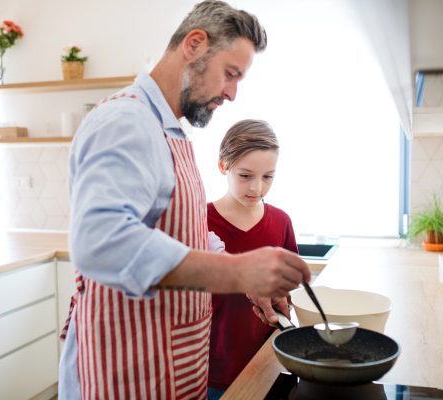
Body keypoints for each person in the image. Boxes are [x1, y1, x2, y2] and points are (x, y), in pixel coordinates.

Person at [58, 2, 310, 399]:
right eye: (230, 74)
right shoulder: (127, 121)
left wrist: (251, 284)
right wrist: (239, 272)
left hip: (169, 364)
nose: (232, 93)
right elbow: (99, 241)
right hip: (126, 373)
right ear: (194, 44)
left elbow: (186, 234)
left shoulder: (170, 130)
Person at [206, 120, 298, 399]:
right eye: (246, 176)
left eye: (267, 177)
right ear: (223, 166)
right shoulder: (199, 221)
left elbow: (290, 292)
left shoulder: (281, 222)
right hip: (215, 368)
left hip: (272, 364)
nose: (257, 187)